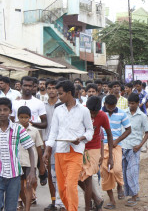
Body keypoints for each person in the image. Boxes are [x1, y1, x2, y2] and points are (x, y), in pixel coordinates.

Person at [43, 80, 94, 211]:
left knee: (71, 185)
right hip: (60, 152)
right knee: (61, 188)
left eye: (60, 94)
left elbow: (90, 130)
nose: (58, 96)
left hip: (76, 152)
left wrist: (82, 138)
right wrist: (47, 150)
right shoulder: (58, 110)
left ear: (69, 93)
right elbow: (53, 132)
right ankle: (68, 207)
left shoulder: (84, 111)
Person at [0, 98, 37, 211]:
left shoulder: (18, 128)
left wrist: (32, 171)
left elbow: (30, 149)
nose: (2, 113)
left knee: (11, 208)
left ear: (10, 111)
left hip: (15, 175)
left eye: (5, 110)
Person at [79, 96, 114, 211]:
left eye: (95, 113)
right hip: (79, 148)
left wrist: (110, 157)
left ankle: (87, 208)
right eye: (90, 113)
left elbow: (109, 134)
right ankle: (97, 199)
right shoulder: (80, 112)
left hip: (93, 148)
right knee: (78, 178)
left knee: (88, 177)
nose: (92, 116)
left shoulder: (103, 116)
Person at [101, 95, 131, 210]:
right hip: (102, 145)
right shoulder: (100, 113)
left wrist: (117, 141)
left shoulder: (121, 113)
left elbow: (129, 129)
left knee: (117, 169)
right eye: (109, 107)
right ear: (105, 104)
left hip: (116, 145)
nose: (111, 109)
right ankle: (112, 200)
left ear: (115, 105)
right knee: (106, 172)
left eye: (113, 107)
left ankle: (119, 185)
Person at [122, 93, 148, 207]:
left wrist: (140, 145)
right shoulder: (124, 113)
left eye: (133, 103)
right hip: (124, 146)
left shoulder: (142, 116)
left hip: (135, 148)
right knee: (124, 172)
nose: (130, 105)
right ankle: (134, 194)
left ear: (138, 104)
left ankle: (134, 196)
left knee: (132, 172)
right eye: (129, 103)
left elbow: (147, 132)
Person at [17, 106, 45, 211]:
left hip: (30, 162)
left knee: (28, 186)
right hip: (18, 162)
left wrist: (41, 165)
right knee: (19, 188)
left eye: (26, 117)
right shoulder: (15, 130)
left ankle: (27, 208)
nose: (24, 120)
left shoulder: (34, 131)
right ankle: (25, 204)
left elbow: (39, 149)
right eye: (21, 117)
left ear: (30, 117)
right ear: (18, 117)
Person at [43, 79, 65, 211]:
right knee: (51, 174)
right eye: (49, 88)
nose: (51, 90)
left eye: (53, 88)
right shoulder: (42, 105)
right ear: (46, 89)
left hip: (61, 143)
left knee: (62, 173)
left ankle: (62, 201)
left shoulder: (63, 104)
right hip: (47, 142)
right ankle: (54, 201)